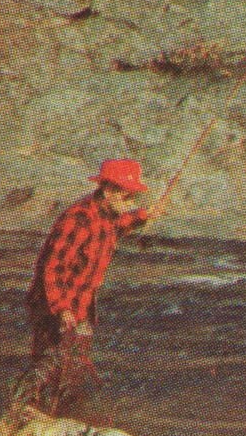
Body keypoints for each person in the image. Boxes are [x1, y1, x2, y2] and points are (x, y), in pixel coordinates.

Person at [17, 158, 154, 417]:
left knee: (74, 365)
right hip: (54, 304)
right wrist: (61, 309)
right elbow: (52, 268)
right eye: (128, 198)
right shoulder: (78, 219)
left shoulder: (107, 217)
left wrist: (143, 216)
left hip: (81, 304)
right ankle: (22, 411)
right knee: (50, 363)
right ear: (109, 191)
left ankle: (59, 418)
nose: (131, 205)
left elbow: (115, 228)